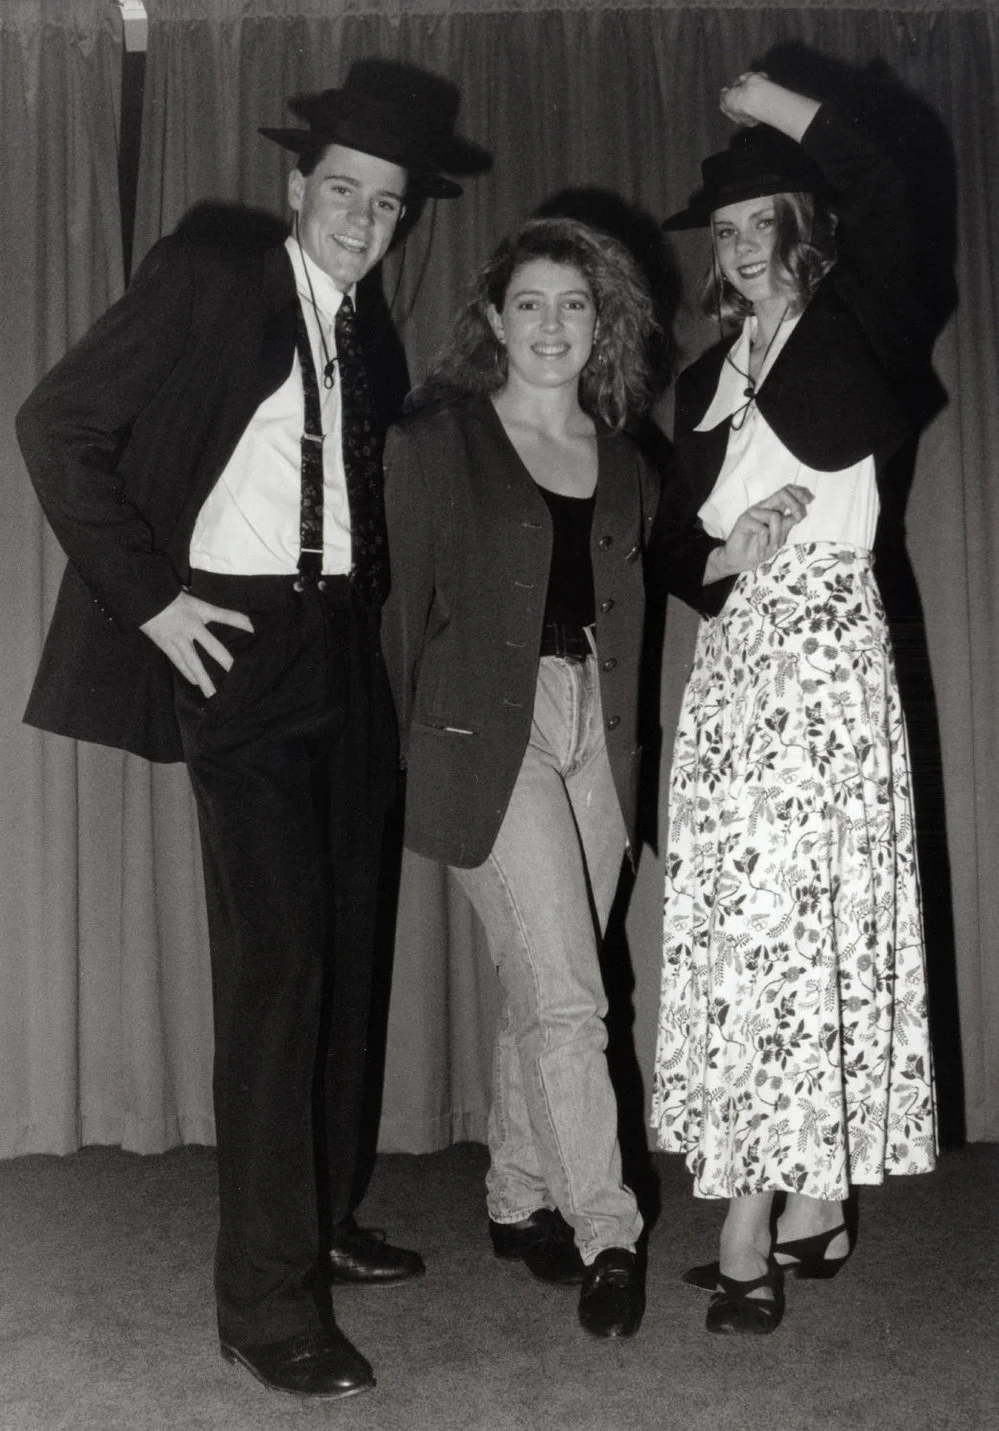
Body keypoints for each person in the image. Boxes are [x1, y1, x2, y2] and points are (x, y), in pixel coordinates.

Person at [16, 63, 483, 1399]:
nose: (359, 217)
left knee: (342, 946)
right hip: (240, 648)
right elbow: (57, 426)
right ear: (297, 191)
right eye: (339, 191)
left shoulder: (364, 326)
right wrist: (156, 600)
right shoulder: (219, 279)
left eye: (384, 204)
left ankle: (323, 1217)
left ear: (399, 220)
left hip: (342, 645)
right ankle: (263, 1302)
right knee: (276, 965)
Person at [650, 72, 937, 1335]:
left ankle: (751, 1225)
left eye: (760, 219)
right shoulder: (702, 382)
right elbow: (667, 551)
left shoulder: (861, 320)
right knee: (752, 940)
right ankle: (812, 1198)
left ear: (803, 228)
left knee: (798, 932)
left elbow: (900, 186)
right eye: (723, 230)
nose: (739, 246)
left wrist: (780, 104)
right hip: (734, 675)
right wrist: (728, 555)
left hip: (826, 665)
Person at [381, 216, 659, 1340]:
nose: (554, 325)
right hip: (484, 733)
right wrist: (395, 757)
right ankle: (610, 1233)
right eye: (532, 303)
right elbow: (398, 608)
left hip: (598, 724)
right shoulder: (440, 437)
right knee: (569, 999)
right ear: (495, 318)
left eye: (576, 305)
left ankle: (516, 1197)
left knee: (550, 980)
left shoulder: (629, 456)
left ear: (604, 325)